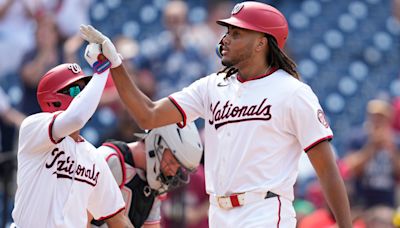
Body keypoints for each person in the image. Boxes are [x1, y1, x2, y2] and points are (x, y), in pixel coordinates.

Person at [80, 1, 352, 227]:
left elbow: (327, 170)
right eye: (227, 31)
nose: (225, 39)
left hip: (264, 211)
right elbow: (148, 115)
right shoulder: (213, 86)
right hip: (218, 213)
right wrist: (116, 65)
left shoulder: (293, 92)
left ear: (261, 43)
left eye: (236, 33)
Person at [11, 43, 133, 227]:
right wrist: (102, 72)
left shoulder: (93, 156)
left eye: (85, 88)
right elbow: (76, 117)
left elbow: (117, 218)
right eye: (76, 90)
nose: (83, 95)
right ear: (51, 101)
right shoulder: (33, 127)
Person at [90, 122, 203, 228]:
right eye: (172, 162)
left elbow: (152, 226)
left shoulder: (155, 180)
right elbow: (80, 216)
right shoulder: (110, 160)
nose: (173, 172)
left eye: (178, 167)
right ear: (157, 142)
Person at [342, 99, 400, 208]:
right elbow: (351, 167)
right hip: (362, 198)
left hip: (387, 199)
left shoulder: (396, 141)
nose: (377, 121)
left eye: (381, 117)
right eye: (374, 117)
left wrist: (391, 149)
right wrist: (371, 146)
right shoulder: (358, 137)